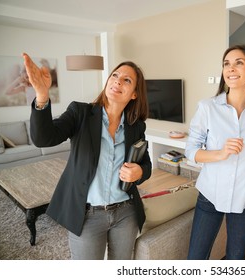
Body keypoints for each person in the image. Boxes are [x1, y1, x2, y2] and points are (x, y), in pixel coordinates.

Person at [23, 53, 152, 260]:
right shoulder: (80, 113)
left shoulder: (136, 126)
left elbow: (146, 164)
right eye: (115, 75)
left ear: (134, 94)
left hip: (126, 213)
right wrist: (41, 96)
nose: (117, 80)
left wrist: (139, 172)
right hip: (88, 216)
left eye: (126, 80)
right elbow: (44, 139)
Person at [185, 45, 245, 259]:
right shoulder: (207, 107)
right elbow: (190, 151)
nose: (231, 69)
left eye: (239, 63)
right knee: (196, 258)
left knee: (236, 258)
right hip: (210, 194)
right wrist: (219, 154)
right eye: (226, 64)